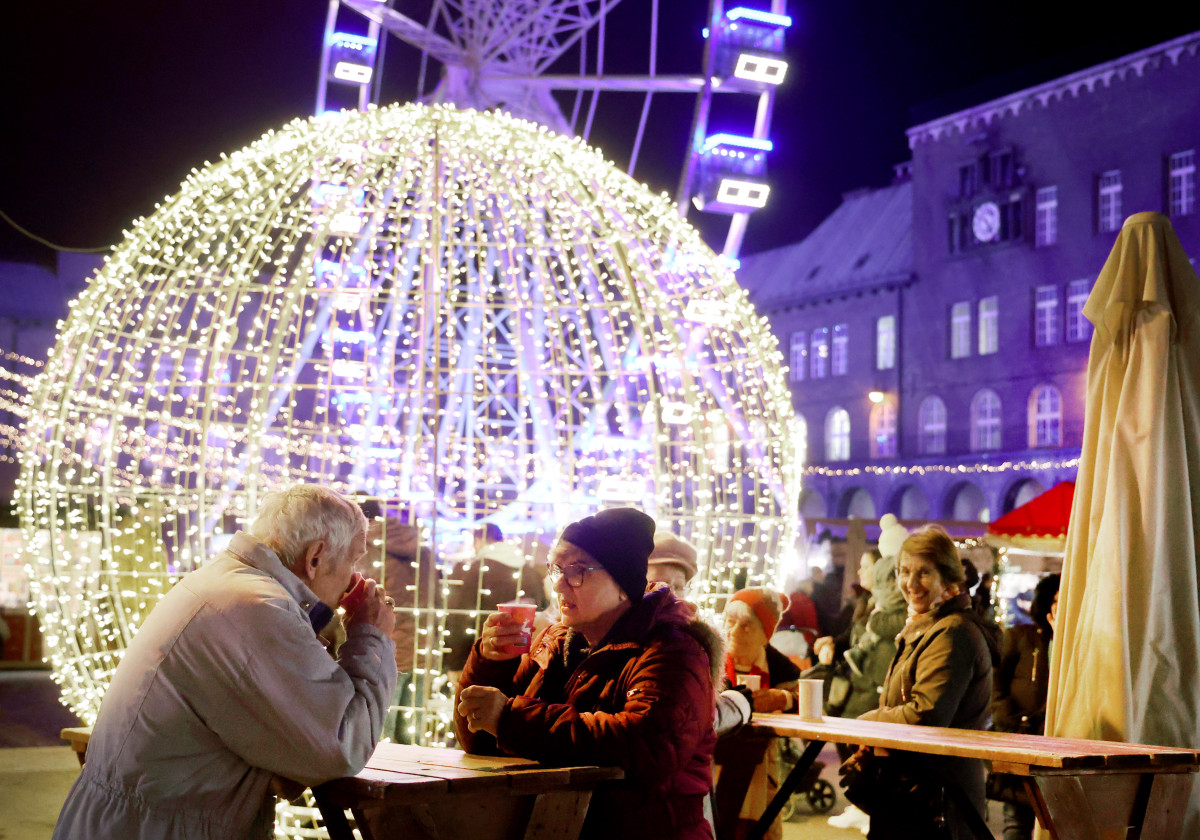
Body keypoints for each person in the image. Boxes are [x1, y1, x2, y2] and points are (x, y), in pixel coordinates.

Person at [52, 484, 398, 840]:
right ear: (315, 558)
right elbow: (340, 746)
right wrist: (371, 637)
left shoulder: (231, 586)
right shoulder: (258, 610)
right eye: (353, 560)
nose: (354, 578)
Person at [454, 508, 720, 840]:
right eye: (557, 569)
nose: (560, 585)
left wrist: (510, 718)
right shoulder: (551, 644)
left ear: (623, 585)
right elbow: (480, 741)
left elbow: (645, 747)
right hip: (557, 826)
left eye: (578, 571)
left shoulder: (672, 650)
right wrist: (492, 662)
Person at [854, 525, 999, 840]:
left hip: (938, 798)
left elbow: (926, 714)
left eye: (923, 573)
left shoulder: (951, 632)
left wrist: (864, 724)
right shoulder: (925, 627)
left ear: (947, 577)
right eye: (904, 571)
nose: (910, 583)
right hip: (913, 794)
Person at [719, 587, 800, 840]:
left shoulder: (780, 666)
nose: (733, 632)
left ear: (765, 635)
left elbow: (805, 700)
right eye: (730, 623)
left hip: (761, 763)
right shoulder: (710, 660)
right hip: (715, 762)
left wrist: (783, 698)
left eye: (745, 626)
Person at [989, 573, 1061, 840]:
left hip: (1057, 745)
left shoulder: (1078, 645)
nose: (1061, 606)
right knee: (1016, 822)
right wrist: (1006, 715)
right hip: (1021, 740)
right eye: (1055, 600)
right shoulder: (1021, 636)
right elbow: (996, 680)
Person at [368, 511, 440, 743]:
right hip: (421, 645)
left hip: (384, 646)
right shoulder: (422, 550)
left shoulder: (368, 548)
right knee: (411, 732)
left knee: (377, 733)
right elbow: (436, 598)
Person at [444, 522, 546, 679]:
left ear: (478, 541)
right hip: (526, 658)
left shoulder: (478, 570)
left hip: (485, 657)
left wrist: (456, 663)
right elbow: (543, 612)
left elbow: (460, 618)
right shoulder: (529, 571)